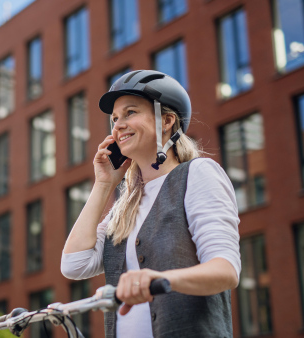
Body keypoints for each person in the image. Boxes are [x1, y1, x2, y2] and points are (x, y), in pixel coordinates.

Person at [60, 70, 240, 338]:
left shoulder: (198, 173)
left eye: (130, 112)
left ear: (166, 121)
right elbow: (74, 264)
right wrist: (104, 185)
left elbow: (225, 270)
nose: (118, 125)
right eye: (115, 118)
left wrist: (161, 280)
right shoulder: (125, 206)